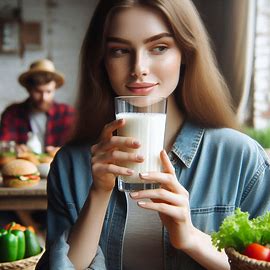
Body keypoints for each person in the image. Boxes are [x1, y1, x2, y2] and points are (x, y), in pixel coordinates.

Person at [36, 0, 270, 269]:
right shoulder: (70, 164)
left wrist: (191, 237)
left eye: (159, 47)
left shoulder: (242, 159)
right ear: (101, 60)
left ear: (186, 53)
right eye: (120, 50)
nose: (139, 67)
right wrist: (98, 193)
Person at [0, 59, 75, 155]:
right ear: (28, 89)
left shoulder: (68, 113)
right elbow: (4, 143)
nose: (44, 98)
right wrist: (13, 148)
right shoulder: (12, 113)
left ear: (55, 89)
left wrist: (61, 151)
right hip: (24, 166)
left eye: (49, 91)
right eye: (38, 91)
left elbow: (77, 146)